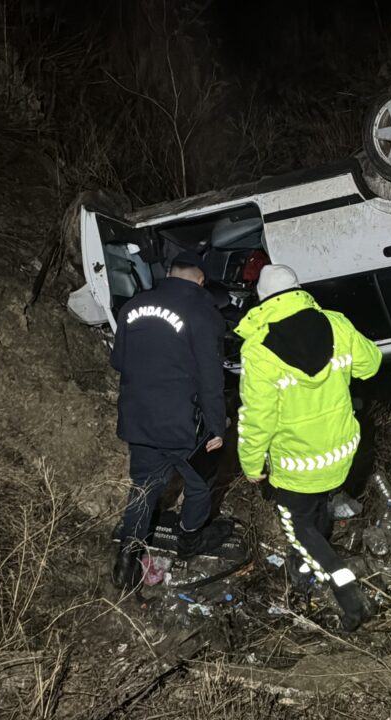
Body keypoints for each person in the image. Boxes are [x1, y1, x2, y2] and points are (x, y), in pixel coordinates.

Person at [235, 265, 382, 631]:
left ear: (263, 300)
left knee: (298, 526)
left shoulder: (258, 349)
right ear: (298, 290)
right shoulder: (335, 323)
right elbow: (372, 363)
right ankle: (301, 567)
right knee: (318, 507)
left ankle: (347, 591)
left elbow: (256, 419)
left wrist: (252, 466)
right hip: (341, 452)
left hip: (297, 466)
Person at [110, 250, 233, 593]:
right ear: (200, 280)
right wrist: (217, 426)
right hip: (184, 422)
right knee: (199, 482)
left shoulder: (132, 307)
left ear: (168, 272)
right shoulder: (204, 314)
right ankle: (190, 539)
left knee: (145, 487)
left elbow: (118, 361)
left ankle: (126, 559)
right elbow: (211, 378)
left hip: (140, 419)